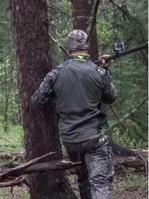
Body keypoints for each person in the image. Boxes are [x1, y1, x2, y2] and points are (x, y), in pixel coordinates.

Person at [31, 29, 117, 199]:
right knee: (99, 184)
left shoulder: (56, 73)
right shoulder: (98, 72)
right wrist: (106, 71)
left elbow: (36, 102)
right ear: (87, 47)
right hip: (95, 138)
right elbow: (111, 97)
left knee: (84, 181)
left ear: (69, 50)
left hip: (70, 140)